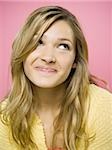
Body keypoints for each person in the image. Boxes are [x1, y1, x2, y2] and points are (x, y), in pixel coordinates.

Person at [0, 6, 112, 150]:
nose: (48, 57)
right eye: (38, 43)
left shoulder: (103, 107)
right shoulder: (4, 117)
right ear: (22, 51)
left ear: (75, 61)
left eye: (63, 46)